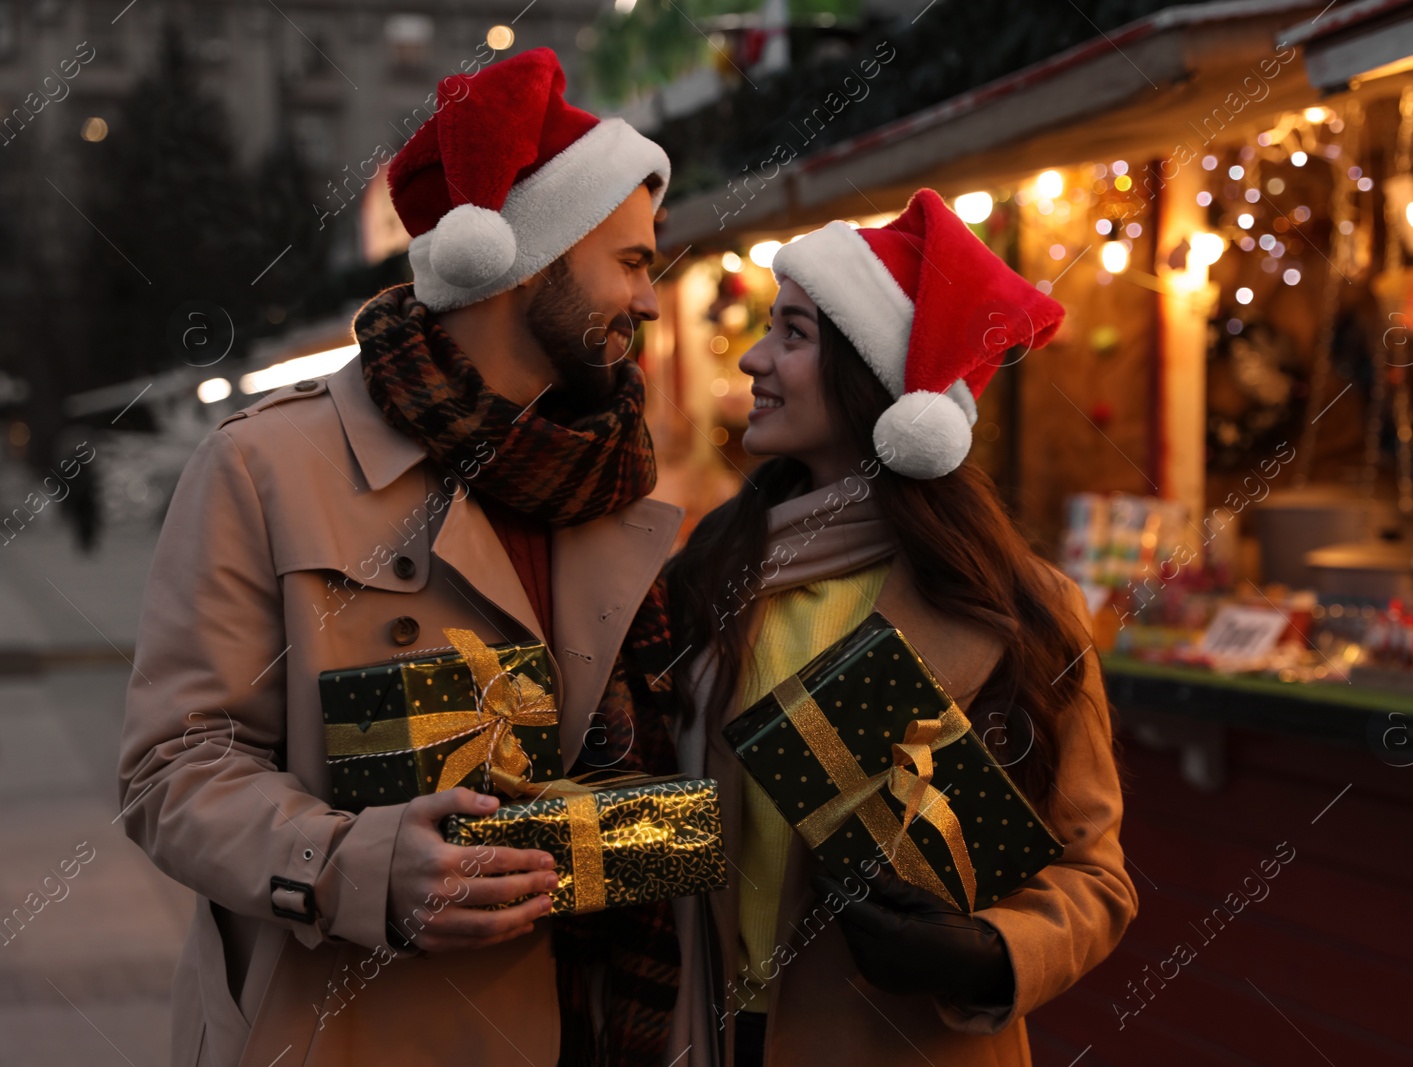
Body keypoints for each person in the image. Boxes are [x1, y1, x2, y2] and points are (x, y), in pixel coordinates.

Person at [120, 50, 684, 1067]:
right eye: (635, 262)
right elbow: (173, 768)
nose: (651, 303)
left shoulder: (615, 487)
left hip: (598, 1026)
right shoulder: (264, 465)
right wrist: (358, 869)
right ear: (530, 260)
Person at [664, 189, 1137, 1067]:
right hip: (713, 1035)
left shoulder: (1023, 607)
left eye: (795, 334)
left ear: (872, 376)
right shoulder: (706, 576)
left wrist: (988, 951)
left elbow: (1095, 876)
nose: (758, 358)